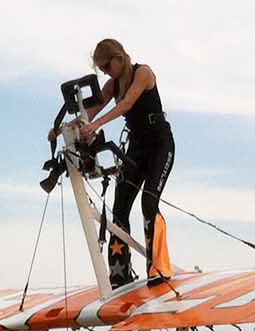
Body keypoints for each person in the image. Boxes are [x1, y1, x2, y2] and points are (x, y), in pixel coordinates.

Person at [52, 38, 175, 287]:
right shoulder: (111, 85)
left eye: (107, 66)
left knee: (148, 202)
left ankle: (159, 268)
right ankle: (120, 272)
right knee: (119, 209)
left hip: (159, 143)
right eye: (102, 69)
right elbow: (92, 112)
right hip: (137, 147)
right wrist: (63, 129)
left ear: (119, 58)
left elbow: (127, 103)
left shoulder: (143, 73)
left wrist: (96, 125)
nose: (106, 72)